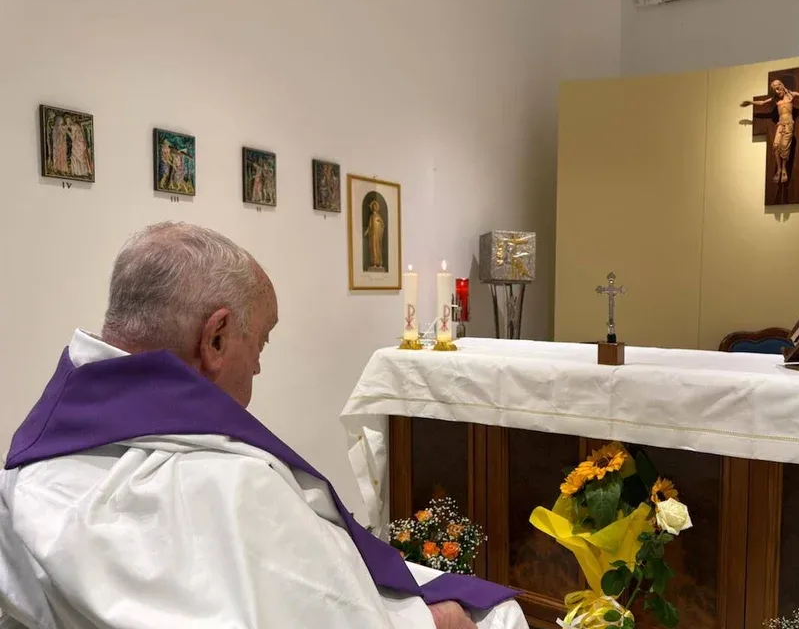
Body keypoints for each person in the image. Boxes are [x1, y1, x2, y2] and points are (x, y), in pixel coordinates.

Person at [0, 222, 525, 629]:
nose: (258, 366)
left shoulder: (27, 471)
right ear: (216, 339)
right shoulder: (235, 488)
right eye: (261, 342)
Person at [740, 79, 799, 184]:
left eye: (778, 89)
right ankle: (778, 169)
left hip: (789, 124)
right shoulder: (775, 99)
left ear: (782, 86)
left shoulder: (791, 95)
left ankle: (784, 169)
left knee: (784, 146)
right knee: (775, 146)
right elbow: (762, 103)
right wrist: (750, 102)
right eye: (775, 90)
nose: (777, 92)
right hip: (780, 123)